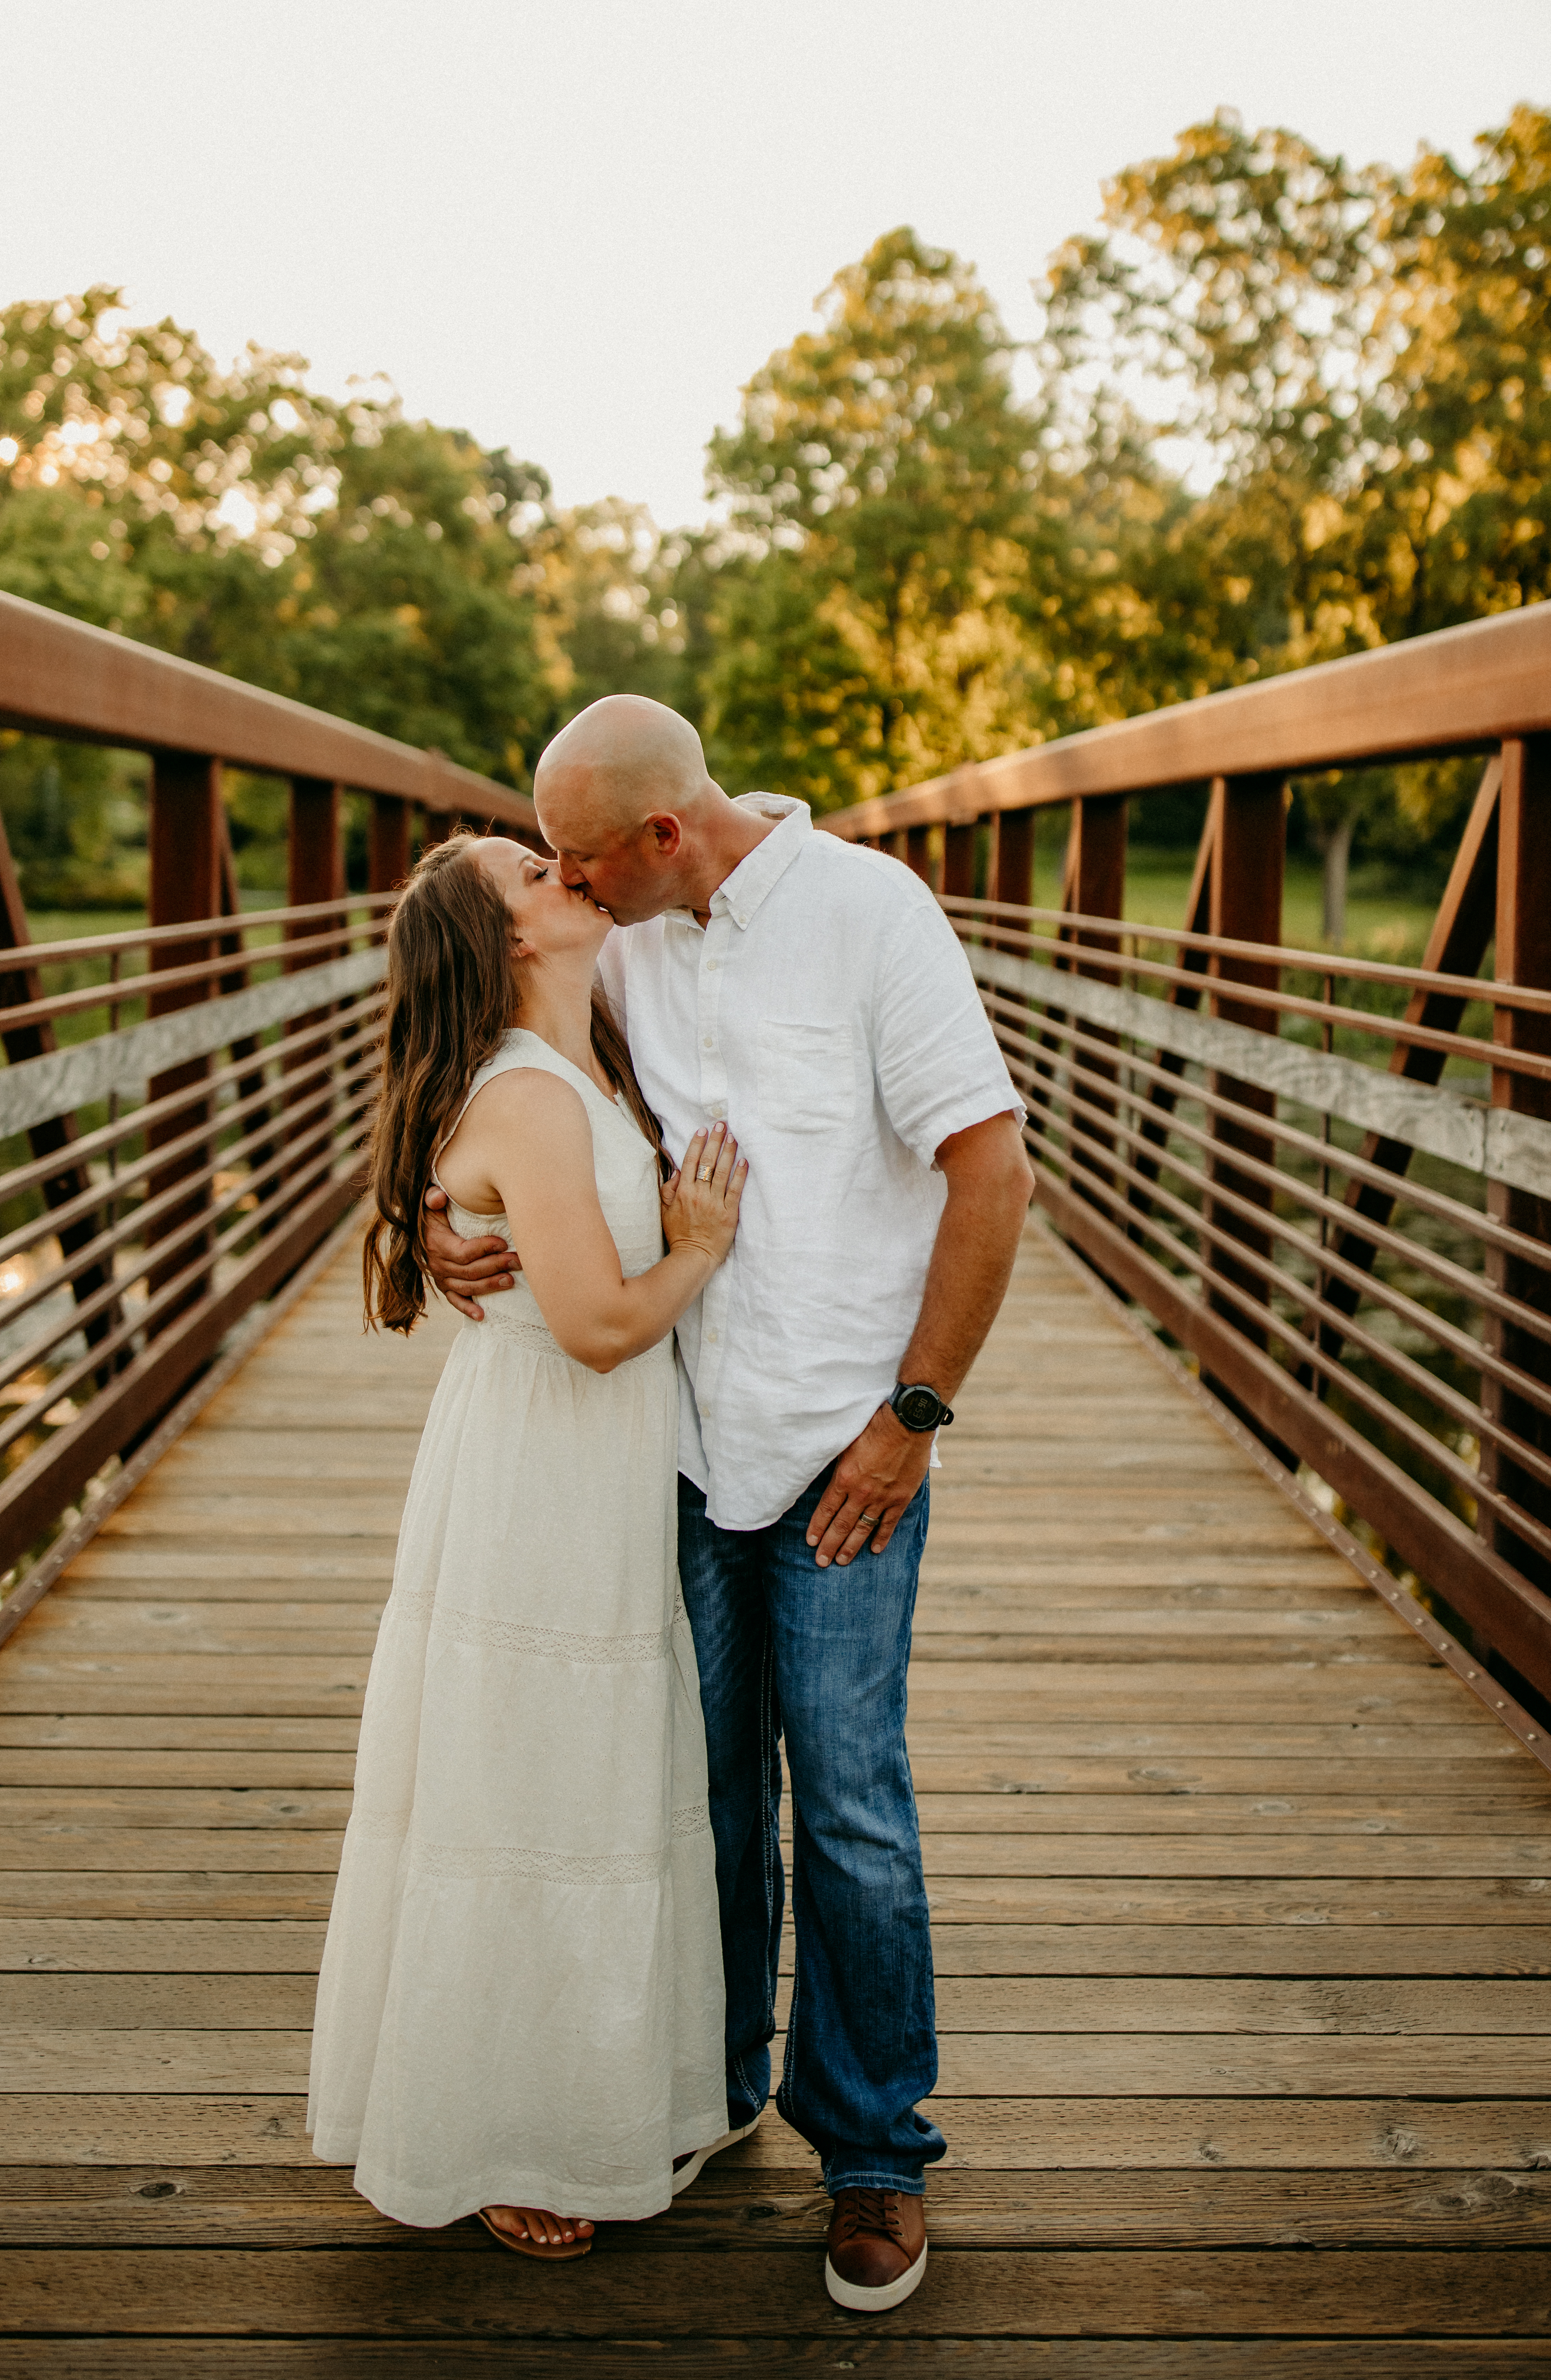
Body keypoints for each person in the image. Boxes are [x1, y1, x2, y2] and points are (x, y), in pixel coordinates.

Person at [426, 696, 1034, 2313]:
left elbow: (994, 1173)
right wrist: (441, 1206)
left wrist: (913, 1419)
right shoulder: (614, 933)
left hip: (848, 1448)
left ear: (663, 838)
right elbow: (490, 1053)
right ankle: (697, 2096)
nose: (561, 882)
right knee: (688, 1795)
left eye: (577, 856)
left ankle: (874, 2159)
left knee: (845, 1801)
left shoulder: (871, 919)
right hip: (676, 1450)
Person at [307, 829, 751, 2257]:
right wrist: (698, 1247)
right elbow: (604, 1328)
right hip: (552, 1468)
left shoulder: (588, 1053)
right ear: (507, 945)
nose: (563, 868)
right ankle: (508, 2127)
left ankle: (584, 2095)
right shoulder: (537, 1099)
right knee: (531, 1791)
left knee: (577, 1785)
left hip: (577, 1465)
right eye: (528, 873)